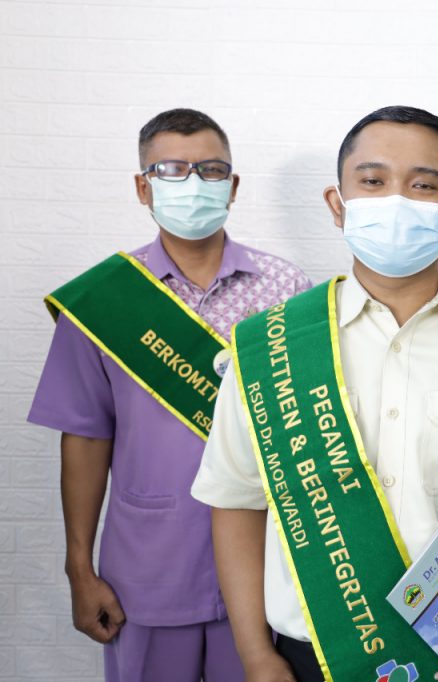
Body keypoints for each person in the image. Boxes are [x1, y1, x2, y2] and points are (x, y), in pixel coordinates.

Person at [191, 105, 438, 682]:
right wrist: (256, 654)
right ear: (337, 204)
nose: (396, 200)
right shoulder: (269, 345)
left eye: (423, 185)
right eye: (373, 182)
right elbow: (236, 501)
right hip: (315, 654)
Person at [27, 108, 312, 681]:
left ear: (232, 185)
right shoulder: (103, 301)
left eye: (211, 170)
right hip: (146, 571)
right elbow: (85, 437)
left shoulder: (288, 291)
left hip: (266, 569)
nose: (194, 183)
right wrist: (78, 567)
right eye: (172, 170)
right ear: (143, 187)